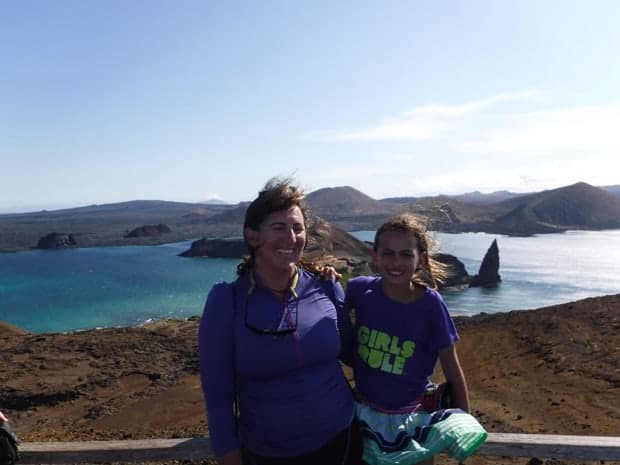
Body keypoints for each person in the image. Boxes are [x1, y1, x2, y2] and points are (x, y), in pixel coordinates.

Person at [198, 178, 362, 465]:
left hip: (344, 442)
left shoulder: (326, 287)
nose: (292, 237)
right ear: (252, 236)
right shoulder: (227, 302)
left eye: (298, 228)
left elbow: (354, 354)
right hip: (268, 454)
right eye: (279, 227)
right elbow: (218, 399)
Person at [345, 213, 487, 465]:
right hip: (362, 418)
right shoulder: (359, 290)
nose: (395, 262)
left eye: (405, 254)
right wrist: (323, 276)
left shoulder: (430, 305)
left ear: (420, 259)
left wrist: (465, 420)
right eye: (387, 253)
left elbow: (452, 368)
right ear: (374, 256)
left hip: (412, 422)